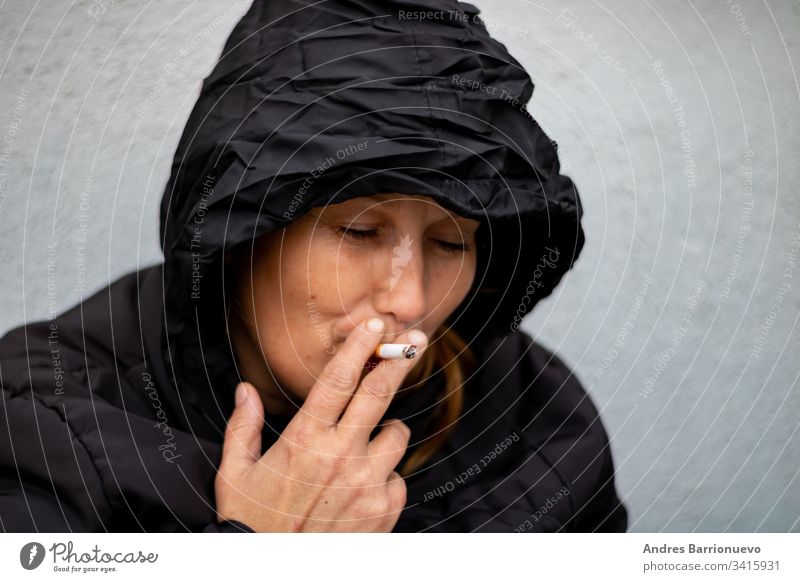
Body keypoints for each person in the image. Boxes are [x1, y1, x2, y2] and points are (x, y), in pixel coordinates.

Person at [0, 0, 627, 532]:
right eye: (358, 231)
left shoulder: (532, 415)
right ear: (241, 232)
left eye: (451, 245)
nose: (408, 302)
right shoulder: (44, 421)